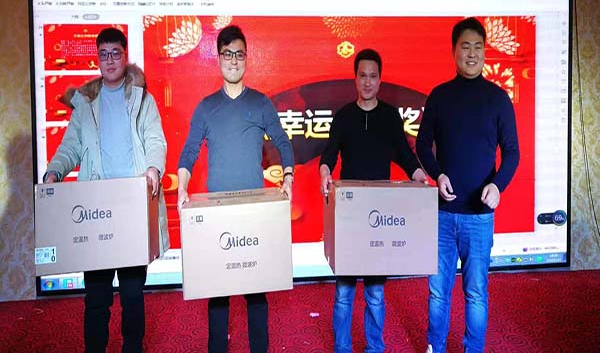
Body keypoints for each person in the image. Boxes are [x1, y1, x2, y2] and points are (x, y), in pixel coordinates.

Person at [44, 27, 169, 353]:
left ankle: (132, 348)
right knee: (97, 296)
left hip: (131, 209)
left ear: (125, 56)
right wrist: (54, 172)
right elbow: (70, 147)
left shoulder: (143, 99)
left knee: (132, 295)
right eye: (104, 54)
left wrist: (153, 168)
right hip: (95, 212)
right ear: (97, 59)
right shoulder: (86, 103)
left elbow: (155, 139)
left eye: (115, 53)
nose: (110, 60)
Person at [177, 24, 294, 353]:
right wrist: (182, 187)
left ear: (246, 59)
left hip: (253, 211)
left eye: (239, 54)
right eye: (227, 54)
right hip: (218, 212)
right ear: (218, 58)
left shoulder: (260, 103)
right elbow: (189, 151)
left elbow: (283, 142)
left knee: (256, 292)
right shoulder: (206, 107)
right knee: (217, 293)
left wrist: (288, 177)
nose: (233, 60)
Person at [416, 17, 520, 353]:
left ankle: (473, 348)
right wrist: (437, 174)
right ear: (454, 51)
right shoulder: (440, 95)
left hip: (479, 217)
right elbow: (422, 144)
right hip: (442, 215)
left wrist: (498, 186)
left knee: (475, 293)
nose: (472, 53)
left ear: (485, 52)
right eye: (465, 46)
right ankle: (435, 346)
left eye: (478, 46)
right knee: (438, 291)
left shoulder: (498, 98)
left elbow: (513, 152)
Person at [319, 48, 428, 353]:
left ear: (380, 80)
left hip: (380, 217)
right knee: (344, 293)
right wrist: (324, 171)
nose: (367, 82)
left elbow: (404, 154)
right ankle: (342, 348)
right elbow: (329, 154)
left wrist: (418, 174)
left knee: (376, 294)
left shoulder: (390, 116)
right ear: (355, 79)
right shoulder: (343, 117)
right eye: (362, 76)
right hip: (349, 216)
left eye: (373, 76)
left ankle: (374, 348)